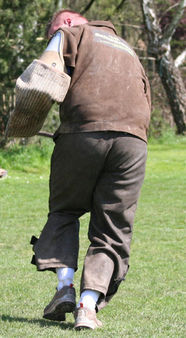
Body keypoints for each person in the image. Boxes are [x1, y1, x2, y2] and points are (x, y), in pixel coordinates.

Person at [30, 10, 151, 330]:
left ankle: (64, 288)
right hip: (134, 142)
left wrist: (23, 120)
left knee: (65, 211)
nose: (49, 38)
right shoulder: (127, 48)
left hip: (83, 134)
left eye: (51, 31)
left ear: (67, 21)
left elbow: (42, 76)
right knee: (112, 229)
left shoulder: (69, 34)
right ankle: (87, 307)